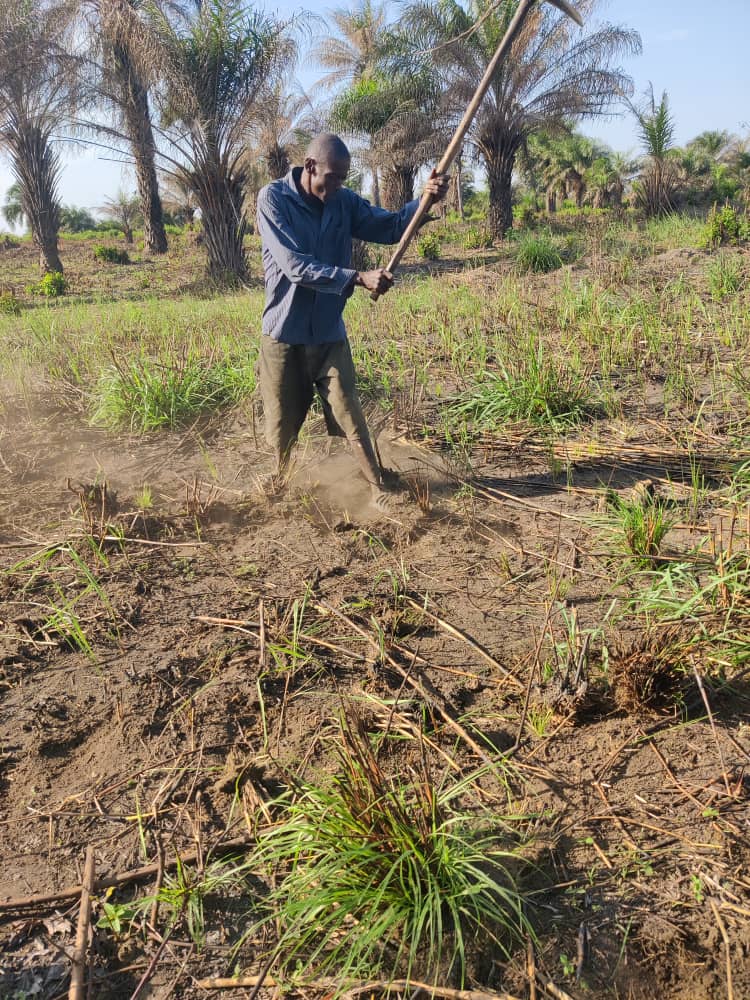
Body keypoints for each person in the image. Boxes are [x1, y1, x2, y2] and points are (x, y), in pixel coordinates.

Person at [255, 132, 449, 507]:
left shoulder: (343, 202)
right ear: (311, 167)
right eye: (334, 177)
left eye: (345, 178)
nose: (340, 186)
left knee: (350, 414)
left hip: (328, 331)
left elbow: (391, 227)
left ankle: (379, 487)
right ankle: (278, 484)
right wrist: (357, 277)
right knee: (282, 426)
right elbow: (295, 267)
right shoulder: (274, 200)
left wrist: (424, 201)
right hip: (285, 335)